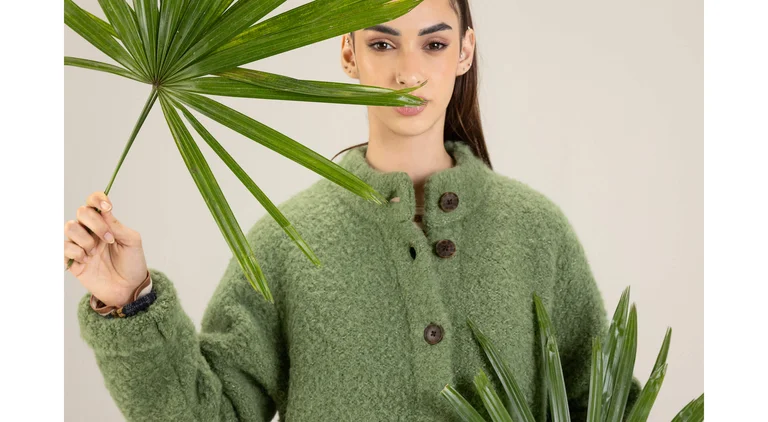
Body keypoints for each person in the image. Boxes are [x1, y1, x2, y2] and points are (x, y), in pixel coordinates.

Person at [65, 0, 642, 421]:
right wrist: (130, 300)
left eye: (434, 44)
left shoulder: (535, 230)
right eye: (383, 44)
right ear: (349, 53)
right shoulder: (287, 241)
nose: (408, 72)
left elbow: (602, 401)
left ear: (465, 52)